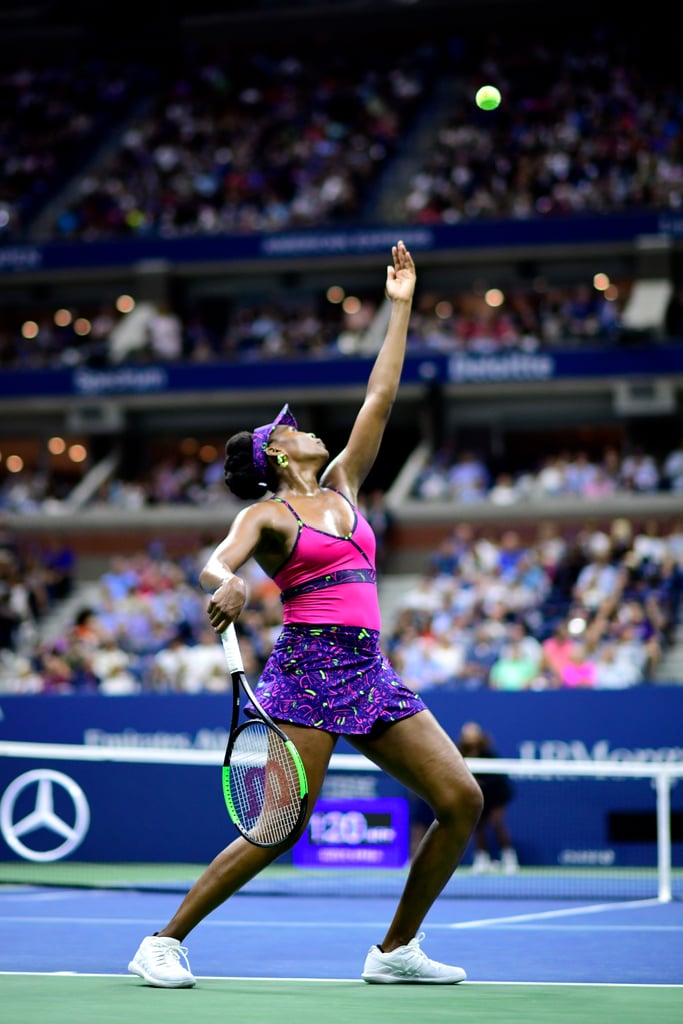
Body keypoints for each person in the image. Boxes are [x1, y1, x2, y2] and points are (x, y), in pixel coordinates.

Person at [128, 241, 483, 989]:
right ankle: (162, 939)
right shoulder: (268, 512)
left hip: (369, 668)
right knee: (280, 825)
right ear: (279, 453)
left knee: (460, 800)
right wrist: (227, 583)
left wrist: (400, 306)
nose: (306, 429)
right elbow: (217, 559)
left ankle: (394, 952)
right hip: (309, 667)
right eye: (291, 429)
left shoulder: (344, 482)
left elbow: (378, 399)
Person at [456, 721, 518, 875]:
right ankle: (482, 860)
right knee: (477, 827)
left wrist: (480, 783)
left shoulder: (488, 754)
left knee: (497, 824)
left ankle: (509, 859)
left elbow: (498, 777)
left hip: (496, 794)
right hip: (477, 797)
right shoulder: (459, 753)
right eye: (467, 734)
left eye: (473, 733)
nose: (470, 737)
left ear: (479, 736)